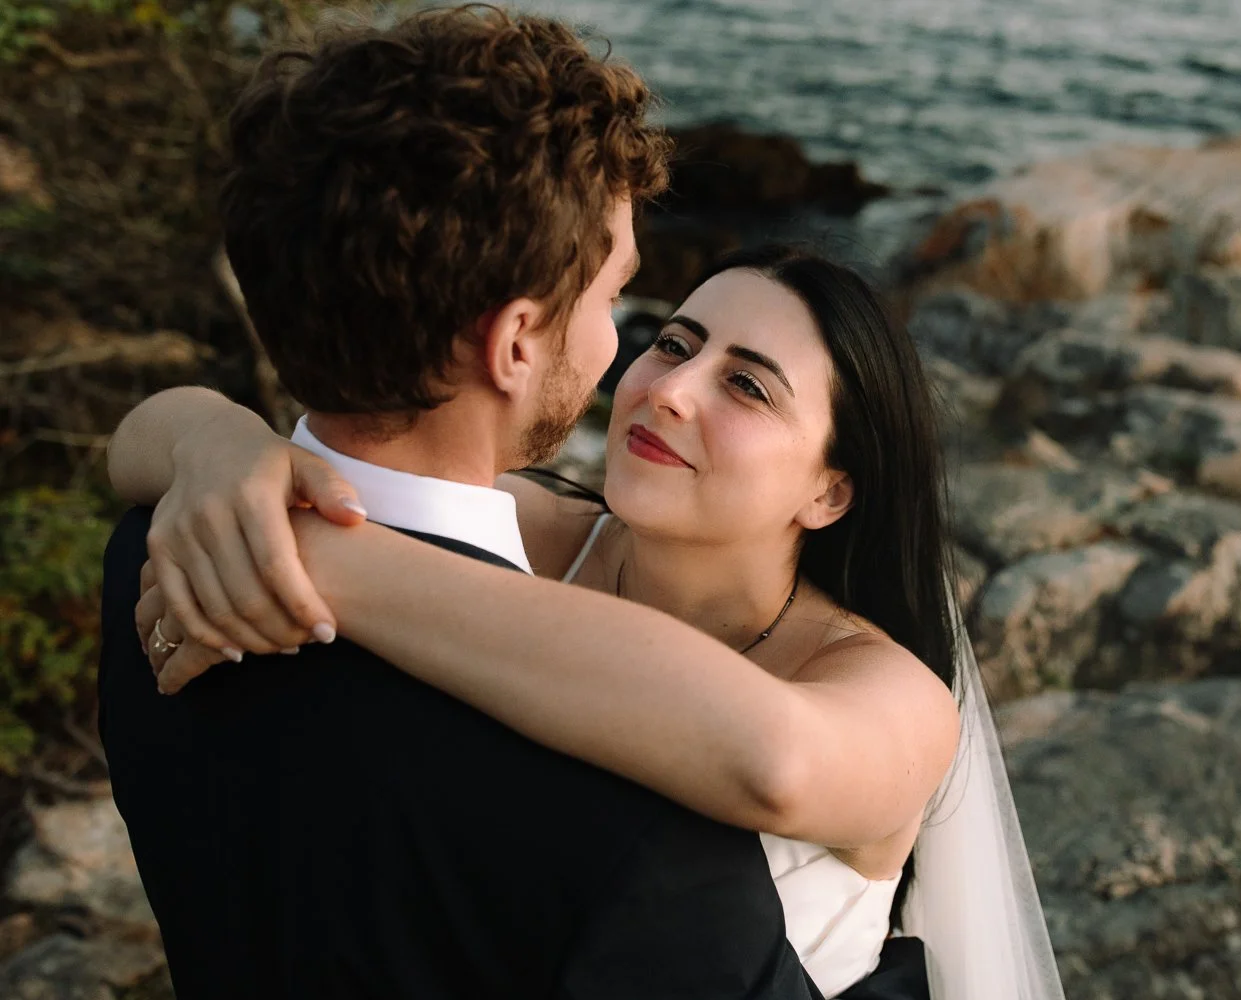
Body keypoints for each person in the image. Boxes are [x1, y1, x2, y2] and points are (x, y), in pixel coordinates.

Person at [112, 243, 1066, 998]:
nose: (669, 390)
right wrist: (219, 446)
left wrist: (315, 557)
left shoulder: (889, 691)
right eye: (675, 341)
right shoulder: (538, 524)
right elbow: (139, 441)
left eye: (747, 385)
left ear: (830, 489)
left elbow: (770, 761)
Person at [96, 8, 820, 999]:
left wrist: (197, 430)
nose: (620, 349)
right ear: (516, 343)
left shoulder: (151, 558)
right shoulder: (647, 826)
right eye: (614, 296)